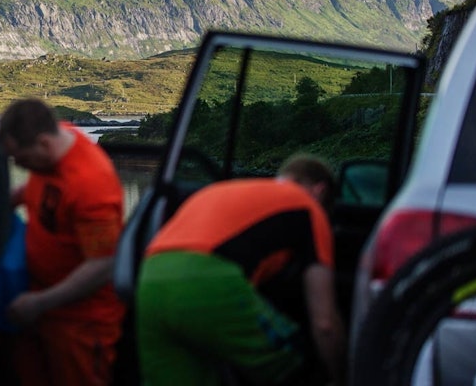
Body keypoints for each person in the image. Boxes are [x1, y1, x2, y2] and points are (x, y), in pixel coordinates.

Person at [135, 154, 346, 386]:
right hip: (207, 280)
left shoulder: (222, 190)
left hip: (149, 279)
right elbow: (325, 323)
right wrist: (339, 376)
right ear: (319, 190)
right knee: (297, 368)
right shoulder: (308, 207)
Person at [0, 98, 126, 386]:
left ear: (43, 143)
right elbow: (45, 188)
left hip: (79, 323)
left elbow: (103, 264)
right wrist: (10, 200)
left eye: (20, 158)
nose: (18, 165)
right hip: (38, 307)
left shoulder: (91, 185)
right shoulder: (56, 143)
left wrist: (41, 302)